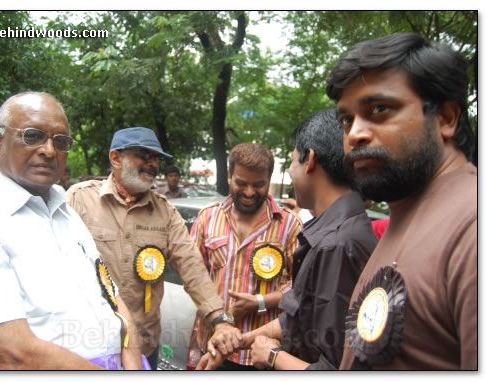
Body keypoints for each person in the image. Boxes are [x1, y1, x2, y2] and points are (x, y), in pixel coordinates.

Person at [0, 91, 144, 370]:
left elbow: (110, 294)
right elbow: (13, 355)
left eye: (60, 141)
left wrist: (132, 357)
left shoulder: (66, 211)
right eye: (32, 136)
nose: (49, 150)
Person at [326, 32, 477, 369]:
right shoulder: (407, 210)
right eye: (346, 120)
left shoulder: (473, 227)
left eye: (379, 109)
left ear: (446, 118)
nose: (355, 134)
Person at [196, 109, 377, 370]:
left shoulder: (337, 244)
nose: (291, 173)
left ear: (310, 160)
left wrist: (273, 356)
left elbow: (336, 366)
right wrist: (242, 340)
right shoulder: (329, 234)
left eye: (292, 161)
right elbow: (299, 316)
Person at [65, 127, 241, 370]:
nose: (152, 164)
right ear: (116, 158)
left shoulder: (165, 212)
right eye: (144, 155)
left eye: (156, 158)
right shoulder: (79, 200)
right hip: (90, 345)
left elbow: (191, 267)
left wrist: (219, 318)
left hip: (145, 349)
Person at [189, 143, 302, 370]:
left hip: (261, 357)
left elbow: (302, 288)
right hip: (213, 348)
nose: (249, 192)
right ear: (229, 175)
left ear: (268, 181)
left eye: (258, 185)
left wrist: (260, 302)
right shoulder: (207, 219)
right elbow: (193, 278)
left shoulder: (290, 226)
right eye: (241, 183)